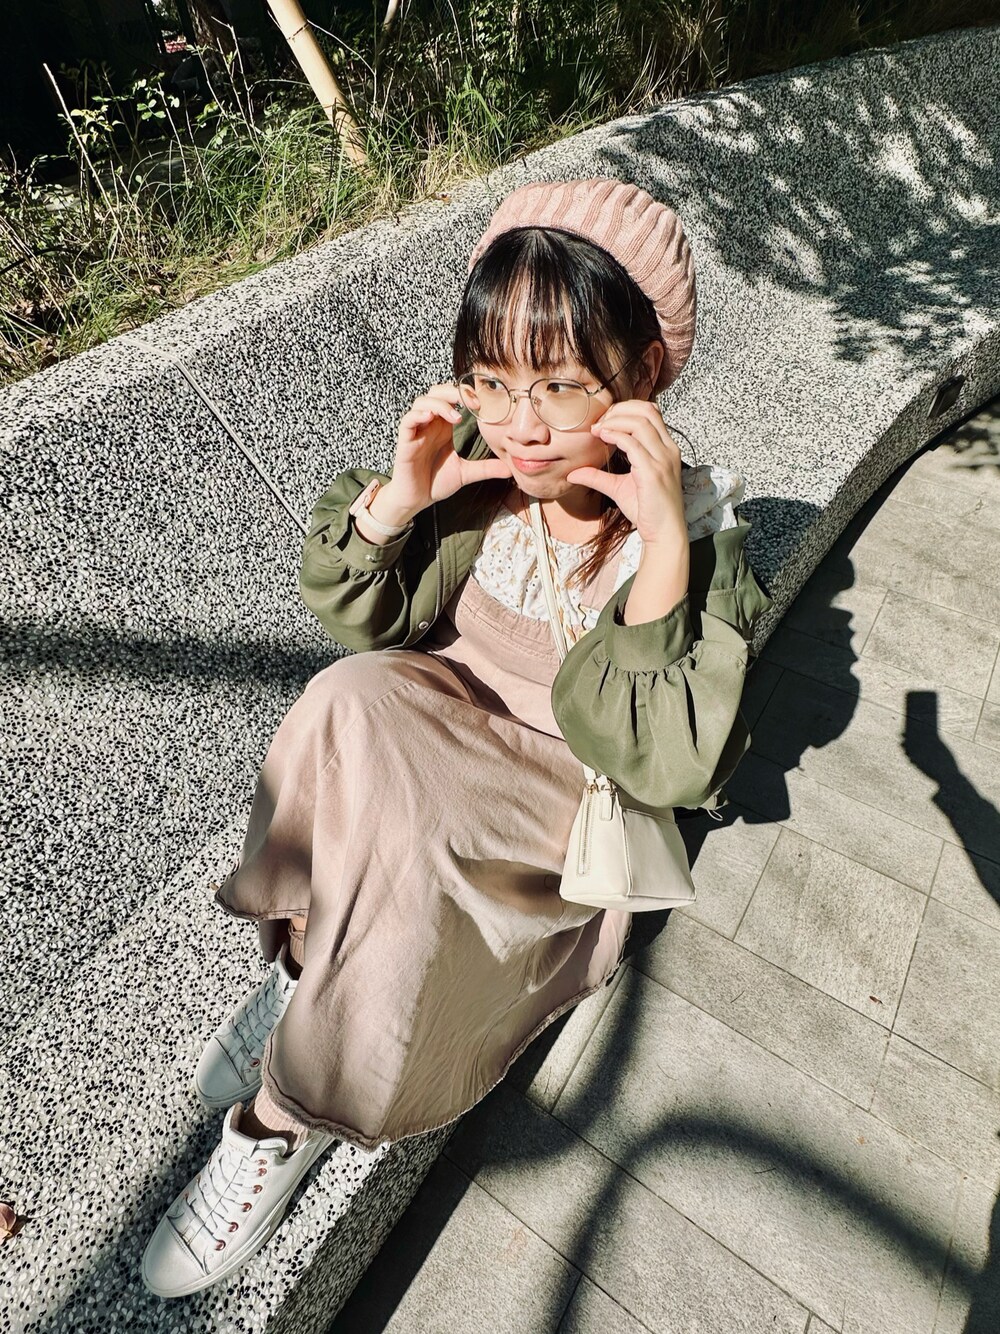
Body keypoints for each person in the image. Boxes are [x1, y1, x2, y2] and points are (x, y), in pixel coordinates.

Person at [141, 176, 774, 1297]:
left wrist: (663, 551)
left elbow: (667, 763)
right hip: (433, 713)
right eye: (492, 377)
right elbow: (357, 617)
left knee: (413, 829)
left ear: (644, 374)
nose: (521, 420)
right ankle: (307, 975)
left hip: (556, 787)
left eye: (561, 384)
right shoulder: (480, 465)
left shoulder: (690, 539)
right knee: (346, 698)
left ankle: (284, 1114)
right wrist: (404, 495)